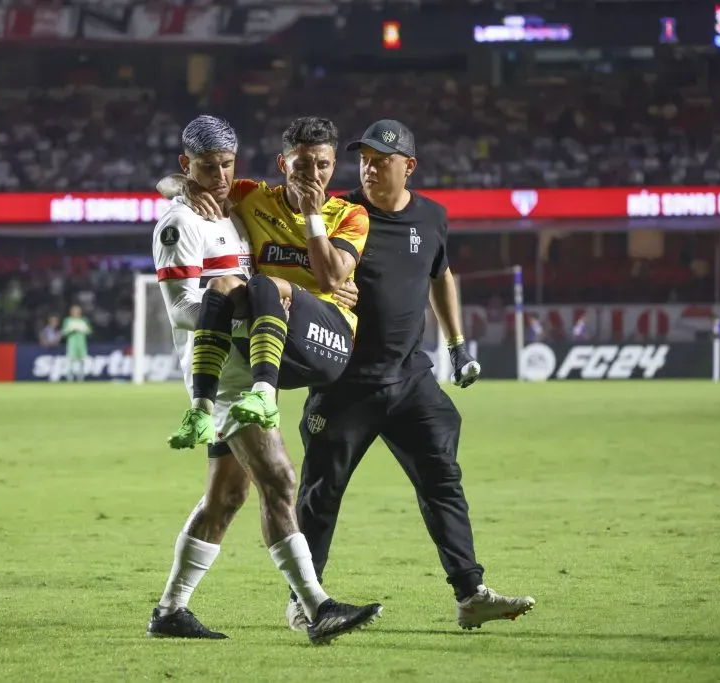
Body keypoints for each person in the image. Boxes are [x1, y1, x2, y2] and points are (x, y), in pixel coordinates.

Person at [172, 119, 536, 632]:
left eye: (379, 160)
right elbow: (207, 183)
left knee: (442, 480)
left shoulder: (399, 216)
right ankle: (303, 602)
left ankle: (470, 592)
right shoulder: (295, 204)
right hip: (343, 381)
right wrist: (182, 186)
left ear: (408, 166)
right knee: (313, 494)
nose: (366, 168)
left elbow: (439, 275)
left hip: (409, 377)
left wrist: (456, 345)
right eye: (363, 159)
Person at [147, 114, 381, 645]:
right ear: (187, 165)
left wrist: (312, 296)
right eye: (207, 168)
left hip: (242, 357)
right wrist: (240, 304)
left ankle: (170, 611)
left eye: (227, 165)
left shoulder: (234, 208)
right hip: (221, 369)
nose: (220, 177)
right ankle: (317, 606)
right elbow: (181, 308)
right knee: (279, 479)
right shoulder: (180, 221)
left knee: (227, 496)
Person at [163, 116, 370, 448]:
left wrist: (312, 214)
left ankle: (263, 396)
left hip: (329, 340)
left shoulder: (350, 215)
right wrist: (185, 186)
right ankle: (201, 410)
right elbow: (181, 181)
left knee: (262, 285)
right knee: (223, 287)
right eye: (302, 165)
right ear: (283, 164)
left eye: (322, 165)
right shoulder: (253, 198)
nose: (313, 175)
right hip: (271, 338)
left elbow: (331, 279)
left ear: (334, 165)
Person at [61, 305, 90, 382]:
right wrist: (71, 329)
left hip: (81, 344)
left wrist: (84, 329)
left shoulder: (83, 320)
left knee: (82, 360)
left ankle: (80, 378)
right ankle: (69, 378)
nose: (76, 312)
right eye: (74, 311)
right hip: (72, 343)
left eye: (77, 311)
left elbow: (89, 331)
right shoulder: (68, 320)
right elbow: (63, 332)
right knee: (70, 360)